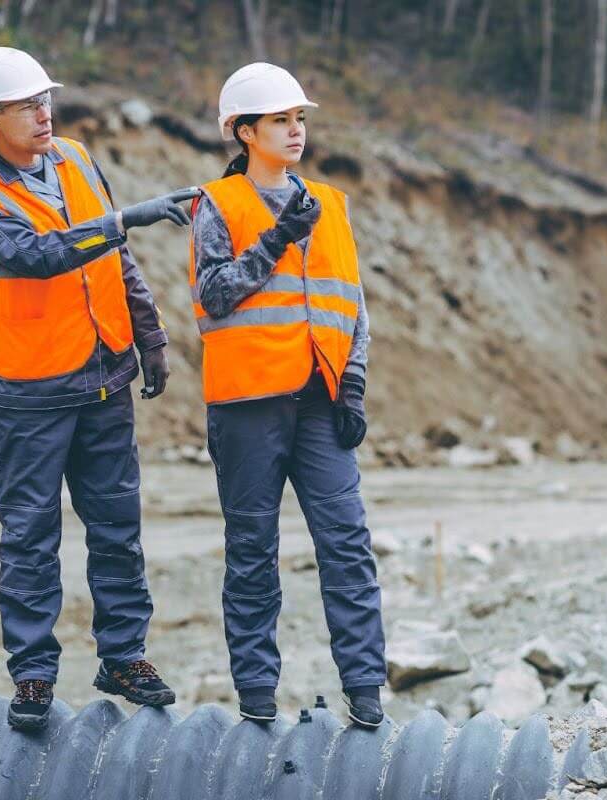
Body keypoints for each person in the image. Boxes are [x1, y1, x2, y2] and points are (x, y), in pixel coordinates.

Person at [0, 46, 196, 731]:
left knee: (118, 528)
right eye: (25, 105)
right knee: (29, 537)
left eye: (44, 99)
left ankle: (124, 656)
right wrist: (125, 218)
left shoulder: (78, 159)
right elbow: (38, 256)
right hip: (31, 392)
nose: (42, 112)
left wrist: (149, 338)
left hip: (104, 379)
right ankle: (32, 675)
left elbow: (119, 263)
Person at [188, 62, 386, 728]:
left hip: (320, 405)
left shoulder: (331, 203)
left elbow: (351, 301)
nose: (296, 130)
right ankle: (256, 697)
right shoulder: (218, 206)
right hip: (246, 408)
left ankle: (364, 689)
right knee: (252, 552)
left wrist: (352, 382)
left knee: (348, 543)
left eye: (300, 118)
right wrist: (277, 238)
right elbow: (213, 296)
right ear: (243, 132)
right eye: (280, 120)